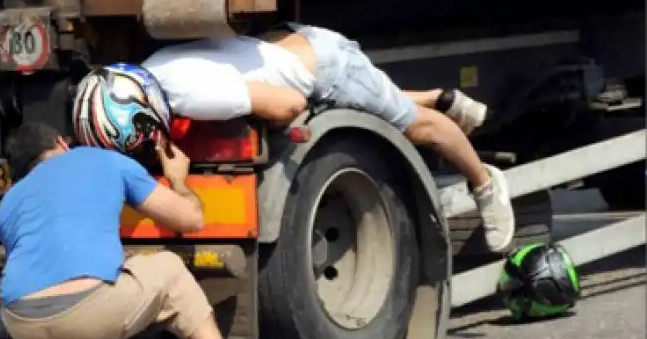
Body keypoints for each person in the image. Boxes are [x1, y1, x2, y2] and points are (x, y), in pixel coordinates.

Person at [136, 23, 515, 253]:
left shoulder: (192, 97)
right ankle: (438, 97)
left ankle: (485, 183)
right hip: (289, 45)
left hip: (329, 68)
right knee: (373, 103)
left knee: (418, 128)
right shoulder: (145, 71)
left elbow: (291, 103)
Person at [0, 119, 276, 339]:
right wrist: (178, 178)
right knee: (168, 267)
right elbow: (190, 220)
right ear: (62, 145)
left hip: (19, 323)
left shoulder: (9, 201)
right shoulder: (102, 159)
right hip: (87, 314)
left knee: (46, 275)